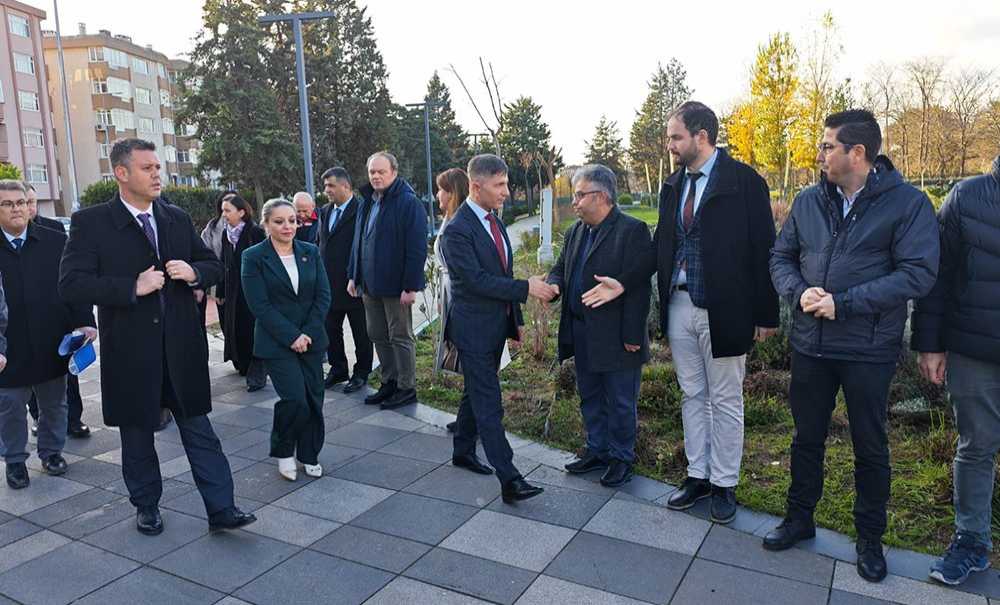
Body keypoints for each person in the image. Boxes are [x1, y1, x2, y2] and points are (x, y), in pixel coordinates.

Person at [578, 101, 779, 524]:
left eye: (675, 137)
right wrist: (625, 280)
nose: (669, 145)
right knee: (693, 395)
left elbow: (764, 250)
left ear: (701, 136)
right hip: (679, 305)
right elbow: (660, 247)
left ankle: (724, 484)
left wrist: (766, 314)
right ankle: (697, 476)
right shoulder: (674, 186)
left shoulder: (744, 182)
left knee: (725, 398)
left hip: (726, 310)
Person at [767, 109, 939, 582]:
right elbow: (781, 256)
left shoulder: (907, 205)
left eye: (827, 147)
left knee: (870, 444)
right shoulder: (808, 201)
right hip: (811, 345)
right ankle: (799, 518)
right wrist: (799, 292)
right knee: (806, 438)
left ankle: (870, 539)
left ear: (857, 153)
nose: (819, 154)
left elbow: (916, 273)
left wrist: (843, 304)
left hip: (867, 348)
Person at [59, 138, 256, 535]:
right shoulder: (91, 223)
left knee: (200, 431)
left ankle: (222, 508)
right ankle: (146, 506)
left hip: (181, 349)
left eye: (158, 168)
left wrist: (196, 272)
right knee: (137, 437)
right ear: (121, 173)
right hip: (132, 353)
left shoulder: (175, 218)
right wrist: (132, 285)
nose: (157, 174)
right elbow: (72, 285)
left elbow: (213, 266)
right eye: (147, 168)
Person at [439, 153, 553, 503]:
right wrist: (525, 288)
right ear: (476, 186)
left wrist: (514, 325)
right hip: (472, 331)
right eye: (500, 185)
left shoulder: (495, 222)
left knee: (476, 391)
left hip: (493, 327)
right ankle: (510, 479)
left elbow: (499, 273)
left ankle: (462, 450)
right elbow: (475, 281)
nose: (506, 191)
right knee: (489, 403)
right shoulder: (457, 231)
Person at [911, 155, 1000, 586]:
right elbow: (938, 274)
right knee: (977, 446)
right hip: (974, 349)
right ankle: (971, 542)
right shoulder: (968, 195)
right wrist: (929, 343)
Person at [546, 165, 652, 488]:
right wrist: (553, 284)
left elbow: (639, 286)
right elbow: (562, 267)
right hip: (582, 332)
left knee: (620, 401)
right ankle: (597, 449)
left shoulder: (632, 231)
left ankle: (621, 458)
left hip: (618, 335)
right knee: (589, 395)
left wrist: (634, 334)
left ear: (602, 196)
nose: (574, 202)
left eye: (580, 195)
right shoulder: (577, 230)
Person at [0, 180, 95, 489]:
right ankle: (15, 461)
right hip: (7, 348)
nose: (17, 208)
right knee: (10, 406)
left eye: (20, 202)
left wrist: (84, 321)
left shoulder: (55, 241)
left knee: (55, 403)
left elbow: (75, 285)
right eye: (7, 204)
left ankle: (52, 452)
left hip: (50, 339)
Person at [241, 198, 331, 481]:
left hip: (312, 338)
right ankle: (283, 450)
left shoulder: (310, 251)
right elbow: (259, 305)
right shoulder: (253, 256)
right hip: (276, 342)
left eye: (292, 220)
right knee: (295, 400)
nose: (287, 226)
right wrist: (292, 336)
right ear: (266, 224)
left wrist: (307, 333)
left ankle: (309, 454)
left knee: (314, 399)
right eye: (279, 221)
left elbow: (322, 296)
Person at [347, 151, 427, 409]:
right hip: (370, 285)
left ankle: (406, 387)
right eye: (372, 172)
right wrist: (353, 275)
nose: (376, 176)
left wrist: (411, 286)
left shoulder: (408, 202)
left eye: (381, 171)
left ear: (394, 172)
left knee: (400, 336)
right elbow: (358, 242)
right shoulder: (367, 201)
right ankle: (389, 382)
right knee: (377, 334)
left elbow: (416, 248)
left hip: (396, 286)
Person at [22, 183, 91, 438]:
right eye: (23, 202)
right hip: (23, 319)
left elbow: (71, 274)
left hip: (56, 314)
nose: (28, 207)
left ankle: (74, 419)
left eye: (31, 201)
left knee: (66, 373)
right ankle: (39, 418)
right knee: (29, 376)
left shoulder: (54, 231)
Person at [318, 167, 372, 393]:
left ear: (346, 186)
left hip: (353, 283)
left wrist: (356, 276)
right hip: (328, 284)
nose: (326, 190)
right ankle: (338, 368)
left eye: (330, 185)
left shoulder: (362, 209)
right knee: (331, 329)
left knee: (361, 331)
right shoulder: (324, 211)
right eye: (325, 186)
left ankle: (361, 373)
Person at [218, 195, 267, 391]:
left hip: (251, 291)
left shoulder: (254, 233)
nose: (224, 215)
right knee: (236, 328)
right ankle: (242, 363)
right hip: (232, 292)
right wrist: (220, 290)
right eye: (223, 210)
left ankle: (257, 373)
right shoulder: (226, 234)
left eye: (227, 210)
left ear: (241, 212)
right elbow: (224, 263)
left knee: (252, 330)